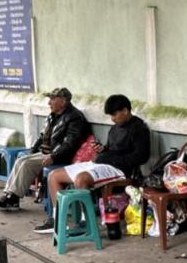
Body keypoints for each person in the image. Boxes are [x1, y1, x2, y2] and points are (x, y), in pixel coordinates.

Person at [34, 94, 150, 233]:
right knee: (54, 176)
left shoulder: (139, 129)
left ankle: (85, 221)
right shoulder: (115, 128)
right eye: (110, 116)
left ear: (125, 110)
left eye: (114, 114)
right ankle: (57, 220)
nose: (112, 119)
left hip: (120, 170)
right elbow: (111, 148)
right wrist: (103, 150)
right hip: (101, 163)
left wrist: (110, 158)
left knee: (81, 179)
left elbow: (141, 157)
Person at [0, 87, 88, 211]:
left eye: (52, 99)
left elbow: (70, 143)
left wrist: (53, 156)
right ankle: (9, 195)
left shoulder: (74, 117)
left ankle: (13, 198)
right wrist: (33, 149)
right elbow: (42, 136)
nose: (49, 103)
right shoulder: (52, 116)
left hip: (60, 156)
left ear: (63, 101)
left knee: (27, 163)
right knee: (21, 160)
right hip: (46, 152)